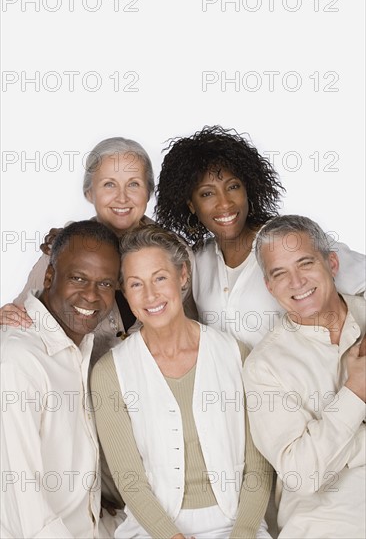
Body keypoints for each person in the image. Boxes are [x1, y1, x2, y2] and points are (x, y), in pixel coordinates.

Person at [91, 225, 273, 539]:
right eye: (136, 284)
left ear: (183, 275)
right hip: (153, 530)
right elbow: (129, 477)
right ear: (124, 291)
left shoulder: (235, 354)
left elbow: (258, 465)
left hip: (237, 525)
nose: (151, 295)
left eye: (160, 278)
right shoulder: (110, 373)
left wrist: (243, 532)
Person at [155, 125, 366, 349]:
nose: (225, 203)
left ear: (248, 189)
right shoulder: (197, 260)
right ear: (191, 205)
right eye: (207, 193)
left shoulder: (289, 241)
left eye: (233, 186)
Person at [243, 215, 366, 539]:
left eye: (305, 263)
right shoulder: (265, 366)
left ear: (332, 263)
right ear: (269, 286)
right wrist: (355, 391)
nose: (296, 282)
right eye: (280, 273)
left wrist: (336, 449)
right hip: (327, 525)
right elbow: (302, 474)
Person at [1, 221, 124, 538]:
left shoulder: (79, 348)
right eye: (79, 278)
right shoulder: (19, 361)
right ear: (49, 276)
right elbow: (24, 510)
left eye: (105, 284)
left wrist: (94, 506)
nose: (92, 296)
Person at [0, 136, 155, 364]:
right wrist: (6, 317)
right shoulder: (62, 249)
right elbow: (23, 319)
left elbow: (192, 327)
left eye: (133, 184)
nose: (122, 197)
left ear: (149, 192)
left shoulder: (175, 254)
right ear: (89, 193)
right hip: (78, 391)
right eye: (109, 184)